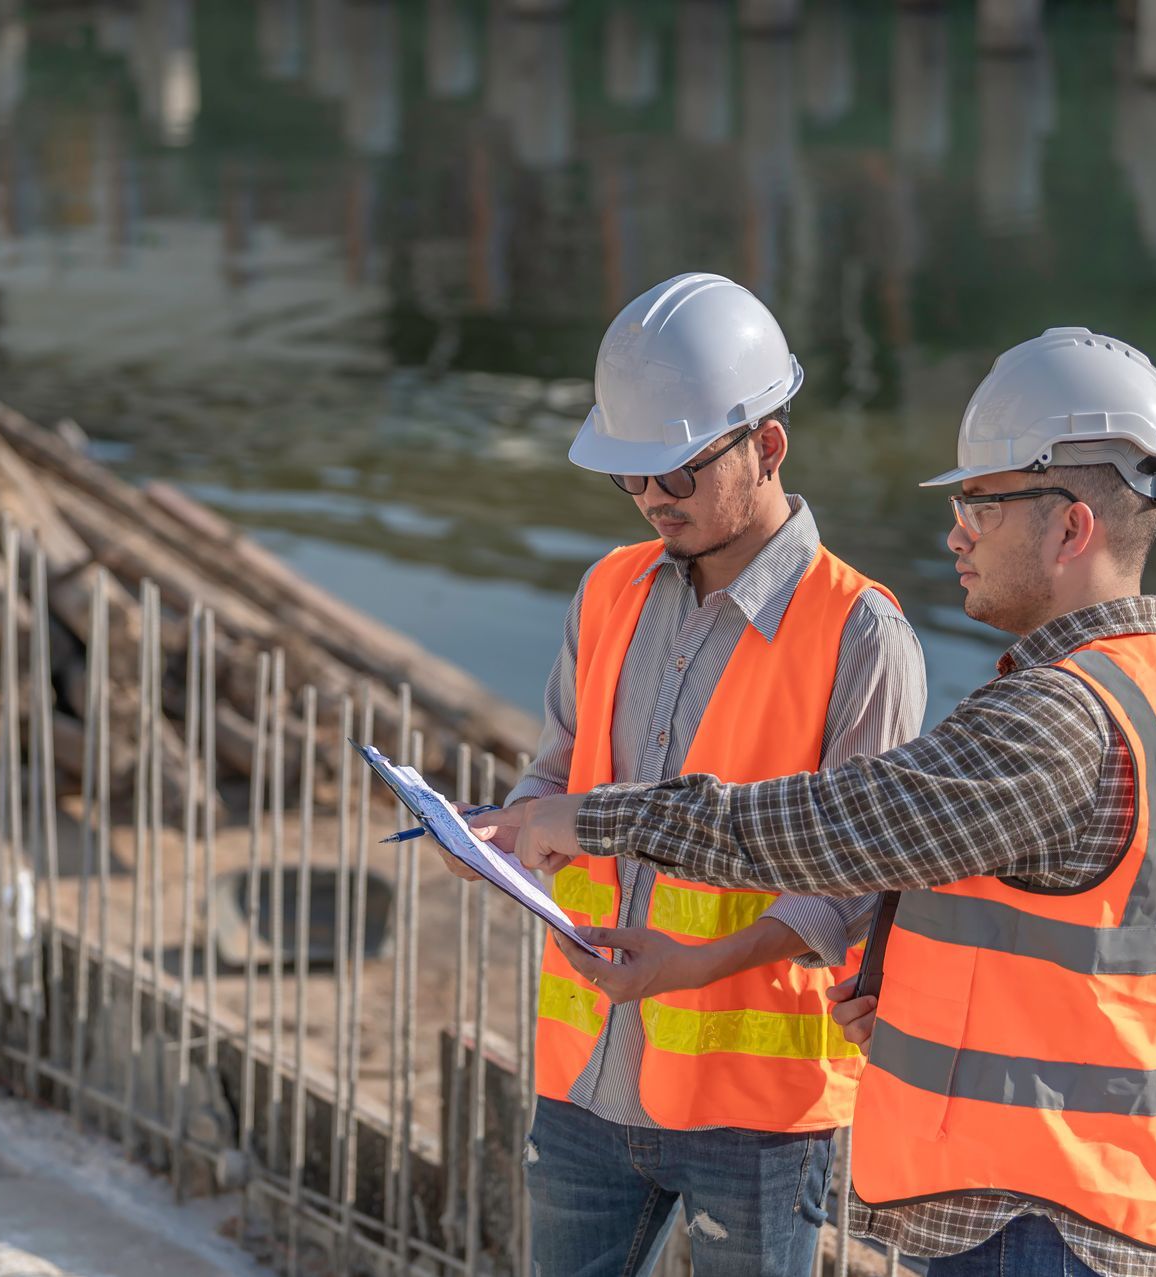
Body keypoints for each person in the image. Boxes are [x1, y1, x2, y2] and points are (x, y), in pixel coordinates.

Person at [472, 326, 1156, 1277]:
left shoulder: (1059, 718)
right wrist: (899, 992)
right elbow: (1045, 925)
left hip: (1044, 1210)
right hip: (1057, 1190)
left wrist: (595, 817)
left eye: (981, 505)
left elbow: (834, 827)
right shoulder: (1145, 695)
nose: (956, 532)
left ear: (1072, 527)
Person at [434, 273, 926, 1277]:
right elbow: (560, 769)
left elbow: (853, 880)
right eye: (633, 478)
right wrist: (510, 831)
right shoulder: (609, 587)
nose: (654, 499)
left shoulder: (859, 631)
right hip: (586, 1079)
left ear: (768, 446)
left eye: (680, 474)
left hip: (758, 1110)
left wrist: (688, 966)